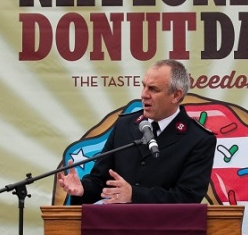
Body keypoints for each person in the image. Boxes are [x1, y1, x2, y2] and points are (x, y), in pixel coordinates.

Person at [58, 59, 217, 204]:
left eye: (153, 89)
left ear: (176, 95)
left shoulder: (199, 139)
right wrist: (83, 189)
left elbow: (187, 198)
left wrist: (134, 194)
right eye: (144, 86)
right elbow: (101, 181)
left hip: (166, 232)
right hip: (118, 229)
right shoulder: (125, 125)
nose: (143, 94)